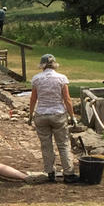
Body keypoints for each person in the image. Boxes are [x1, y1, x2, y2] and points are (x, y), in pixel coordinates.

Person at [27, 54, 77, 182]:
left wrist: (30, 115)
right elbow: (67, 99)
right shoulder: (61, 78)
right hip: (58, 114)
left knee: (46, 145)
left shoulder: (37, 79)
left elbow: (33, 99)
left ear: (42, 65)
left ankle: (50, 172)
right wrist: (72, 116)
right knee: (63, 144)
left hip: (42, 114)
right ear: (54, 64)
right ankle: (68, 173)